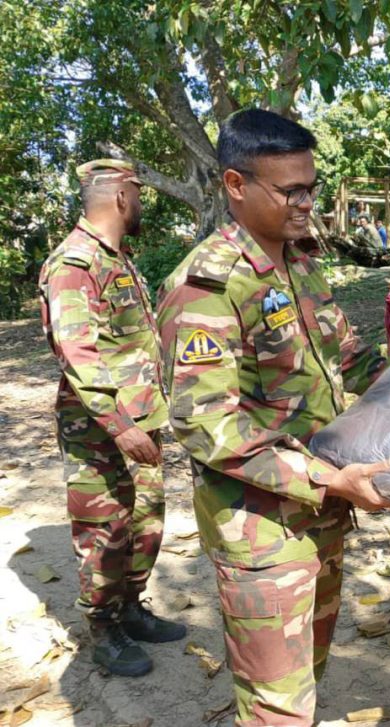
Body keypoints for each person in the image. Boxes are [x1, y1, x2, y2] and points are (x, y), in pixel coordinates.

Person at [156, 109, 390, 727]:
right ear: (236, 186)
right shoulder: (208, 288)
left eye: (311, 187)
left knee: (307, 677)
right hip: (261, 530)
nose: (306, 203)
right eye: (290, 190)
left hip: (323, 513)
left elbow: (349, 359)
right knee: (277, 709)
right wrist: (327, 480)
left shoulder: (299, 264)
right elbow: (206, 424)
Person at [38, 159, 184, 678]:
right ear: (122, 196)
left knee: (145, 519)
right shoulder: (76, 261)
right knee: (106, 526)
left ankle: (131, 608)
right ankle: (102, 631)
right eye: (139, 194)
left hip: (138, 421)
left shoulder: (116, 258)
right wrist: (120, 425)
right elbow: (77, 351)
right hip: (99, 429)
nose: (142, 204)